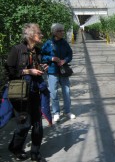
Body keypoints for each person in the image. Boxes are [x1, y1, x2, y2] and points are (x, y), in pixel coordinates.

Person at [5, 23, 48, 161]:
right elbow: (9, 71)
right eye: (39, 33)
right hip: (20, 93)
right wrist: (27, 71)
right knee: (24, 123)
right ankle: (15, 148)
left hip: (35, 90)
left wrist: (42, 67)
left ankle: (35, 153)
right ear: (31, 35)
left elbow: (37, 68)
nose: (41, 35)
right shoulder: (17, 50)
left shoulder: (38, 51)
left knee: (37, 124)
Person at [41, 23, 76, 122]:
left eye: (62, 30)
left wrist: (65, 60)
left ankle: (67, 111)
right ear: (54, 32)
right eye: (60, 31)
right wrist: (51, 58)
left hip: (63, 71)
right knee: (54, 93)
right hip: (52, 71)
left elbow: (70, 54)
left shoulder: (64, 43)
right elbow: (42, 56)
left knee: (67, 92)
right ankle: (56, 113)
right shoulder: (48, 43)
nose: (62, 32)